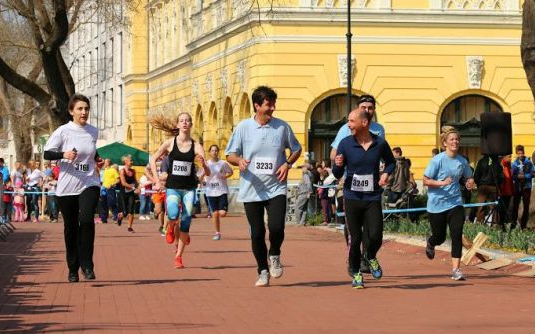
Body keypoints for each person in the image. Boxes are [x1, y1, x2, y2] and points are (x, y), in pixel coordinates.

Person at [226, 85, 302, 287]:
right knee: (257, 232)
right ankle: (262, 270)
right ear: (257, 106)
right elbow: (230, 154)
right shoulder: (243, 128)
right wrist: (239, 161)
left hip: (276, 186)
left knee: (276, 227)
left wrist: (287, 163)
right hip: (251, 188)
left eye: (274, 104)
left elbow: (296, 148)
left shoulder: (282, 127)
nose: (272, 108)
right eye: (268, 104)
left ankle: (275, 253)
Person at [44, 94, 104, 282]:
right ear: (71, 111)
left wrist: (97, 159)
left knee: (86, 221)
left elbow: (91, 152)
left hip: (89, 182)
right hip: (67, 187)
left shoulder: (93, 131)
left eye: (86, 108)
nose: (84, 112)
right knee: (70, 228)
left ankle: (87, 265)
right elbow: (47, 153)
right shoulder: (63, 131)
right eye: (80, 109)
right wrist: (64, 153)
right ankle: (73, 267)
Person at [333, 109, 395, 289]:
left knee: (376, 235)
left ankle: (370, 256)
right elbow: (337, 173)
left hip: (372, 196)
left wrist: (385, 174)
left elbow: (391, 162)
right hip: (351, 197)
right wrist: (337, 166)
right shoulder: (345, 144)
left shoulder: (380, 143)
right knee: (355, 238)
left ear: (364, 123)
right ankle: (356, 273)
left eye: (352, 121)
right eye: (348, 121)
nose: (348, 125)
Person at [329, 94, 385, 274]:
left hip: (372, 186)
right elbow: (333, 155)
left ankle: (367, 256)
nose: (367, 111)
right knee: (354, 230)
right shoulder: (347, 130)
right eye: (364, 108)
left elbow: (383, 155)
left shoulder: (379, 130)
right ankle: (353, 257)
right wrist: (341, 164)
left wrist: (384, 172)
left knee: (372, 229)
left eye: (370, 108)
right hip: (347, 182)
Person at [150, 112, 210, 269]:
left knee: (186, 221)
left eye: (187, 121)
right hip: (173, 188)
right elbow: (152, 159)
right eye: (181, 121)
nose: (184, 123)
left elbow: (207, 172)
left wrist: (203, 165)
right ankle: (169, 227)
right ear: (177, 125)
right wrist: (156, 180)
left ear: (191, 125)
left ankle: (178, 257)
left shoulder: (197, 146)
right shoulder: (170, 143)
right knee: (173, 214)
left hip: (189, 188)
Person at [423, 126, 475, 281]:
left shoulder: (462, 161)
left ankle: (456, 270)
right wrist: (441, 183)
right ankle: (431, 242)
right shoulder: (437, 160)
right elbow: (425, 180)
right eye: (452, 139)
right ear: (445, 143)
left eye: (457, 139)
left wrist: (469, 182)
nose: (455, 142)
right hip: (436, 204)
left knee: (456, 234)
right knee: (439, 237)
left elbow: (468, 177)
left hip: (455, 203)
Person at [204, 144, 233, 240]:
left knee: (222, 213)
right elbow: (200, 175)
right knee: (215, 214)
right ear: (209, 152)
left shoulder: (223, 163)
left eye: (216, 150)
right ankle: (217, 232)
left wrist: (224, 176)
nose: (214, 152)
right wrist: (203, 181)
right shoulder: (206, 164)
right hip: (210, 191)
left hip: (221, 190)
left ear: (218, 152)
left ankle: (218, 230)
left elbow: (231, 172)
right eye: (212, 150)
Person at [473, 155, 504, 225]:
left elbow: (476, 176)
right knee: (494, 208)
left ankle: (479, 225)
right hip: (493, 187)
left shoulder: (481, 162)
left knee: (481, 207)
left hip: (482, 187)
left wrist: (479, 185)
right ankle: (495, 226)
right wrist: (497, 186)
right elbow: (501, 178)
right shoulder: (497, 163)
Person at [511, 145, 533, 229]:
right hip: (517, 187)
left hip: (526, 187)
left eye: (522, 153)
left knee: (526, 206)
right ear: (516, 153)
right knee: (515, 205)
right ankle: (513, 224)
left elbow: (531, 173)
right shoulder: (514, 164)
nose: (520, 155)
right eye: (519, 153)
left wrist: (525, 176)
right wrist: (517, 177)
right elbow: (512, 175)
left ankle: (523, 225)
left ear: (524, 152)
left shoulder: (529, 162)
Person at [117, 154, 138, 232]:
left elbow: (135, 181)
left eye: (132, 160)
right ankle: (119, 218)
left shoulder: (133, 171)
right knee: (124, 213)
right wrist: (132, 187)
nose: (132, 162)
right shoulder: (122, 170)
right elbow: (123, 183)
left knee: (131, 210)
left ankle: (129, 227)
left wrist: (137, 187)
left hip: (131, 193)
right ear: (125, 162)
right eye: (130, 160)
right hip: (123, 194)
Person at [498, 155, 514, 229]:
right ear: (504, 157)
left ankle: (507, 224)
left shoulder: (509, 166)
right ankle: (501, 225)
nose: (511, 158)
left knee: (509, 209)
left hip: (509, 191)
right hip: (503, 192)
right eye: (509, 157)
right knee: (502, 210)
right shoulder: (502, 165)